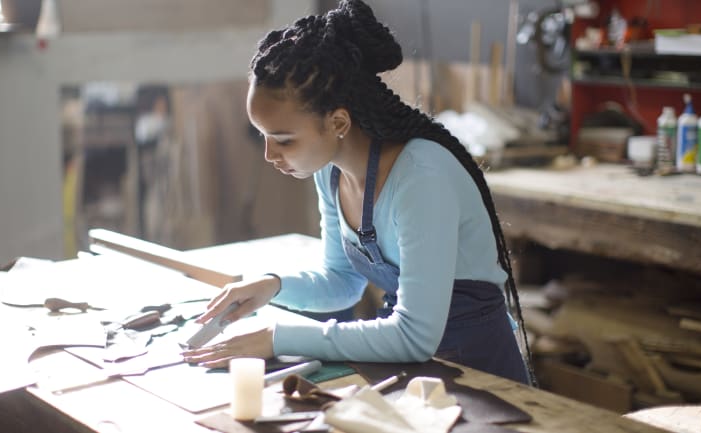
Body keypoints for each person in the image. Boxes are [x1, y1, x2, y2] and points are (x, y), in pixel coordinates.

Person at [183, 0, 535, 385]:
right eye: (263, 136)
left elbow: (413, 336)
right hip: (421, 374)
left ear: (337, 122)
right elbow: (342, 283)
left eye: (283, 139)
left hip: (484, 378)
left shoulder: (420, 177)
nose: (269, 155)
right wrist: (273, 286)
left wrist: (278, 338)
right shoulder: (331, 174)